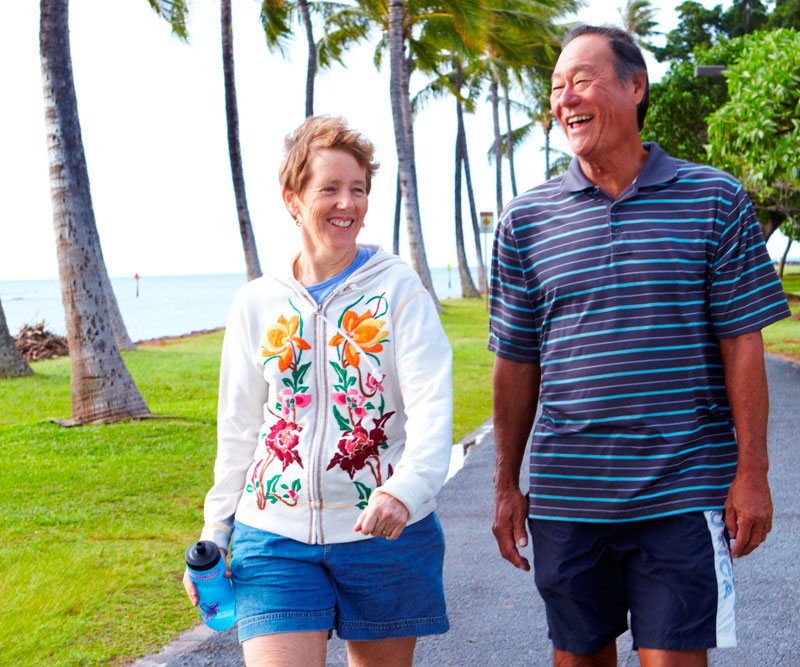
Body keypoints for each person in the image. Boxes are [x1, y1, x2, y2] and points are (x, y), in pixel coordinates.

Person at [489, 24, 791, 667]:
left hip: (682, 490)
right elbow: (516, 360)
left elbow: (743, 342)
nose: (566, 98)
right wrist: (505, 485)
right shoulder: (526, 219)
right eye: (556, 86)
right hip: (569, 495)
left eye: (583, 80)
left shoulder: (714, 199)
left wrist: (753, 473)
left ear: (635, 85)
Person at [183, 115, 452, 667]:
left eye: (357, 189)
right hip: (272, 535)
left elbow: (431, 405)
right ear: (293, 200)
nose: (346, 204)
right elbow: (238, 427)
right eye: (328, 189)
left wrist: (406, 490)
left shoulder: (398, 287)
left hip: (384, 532)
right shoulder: (256, 302)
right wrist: (216, 530)